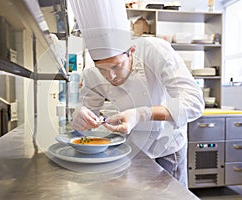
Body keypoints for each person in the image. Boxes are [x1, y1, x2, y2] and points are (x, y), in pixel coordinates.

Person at [69, 0, 204, 187]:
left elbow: (194, 103)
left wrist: (142, 114)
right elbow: (84, 123)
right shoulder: (92, 74)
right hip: (129, 149)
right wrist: (79, 116)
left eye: (117, 66)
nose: (112, 76)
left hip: (166, 147)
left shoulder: (155, 50)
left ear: (131, 51)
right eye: (103, 69)